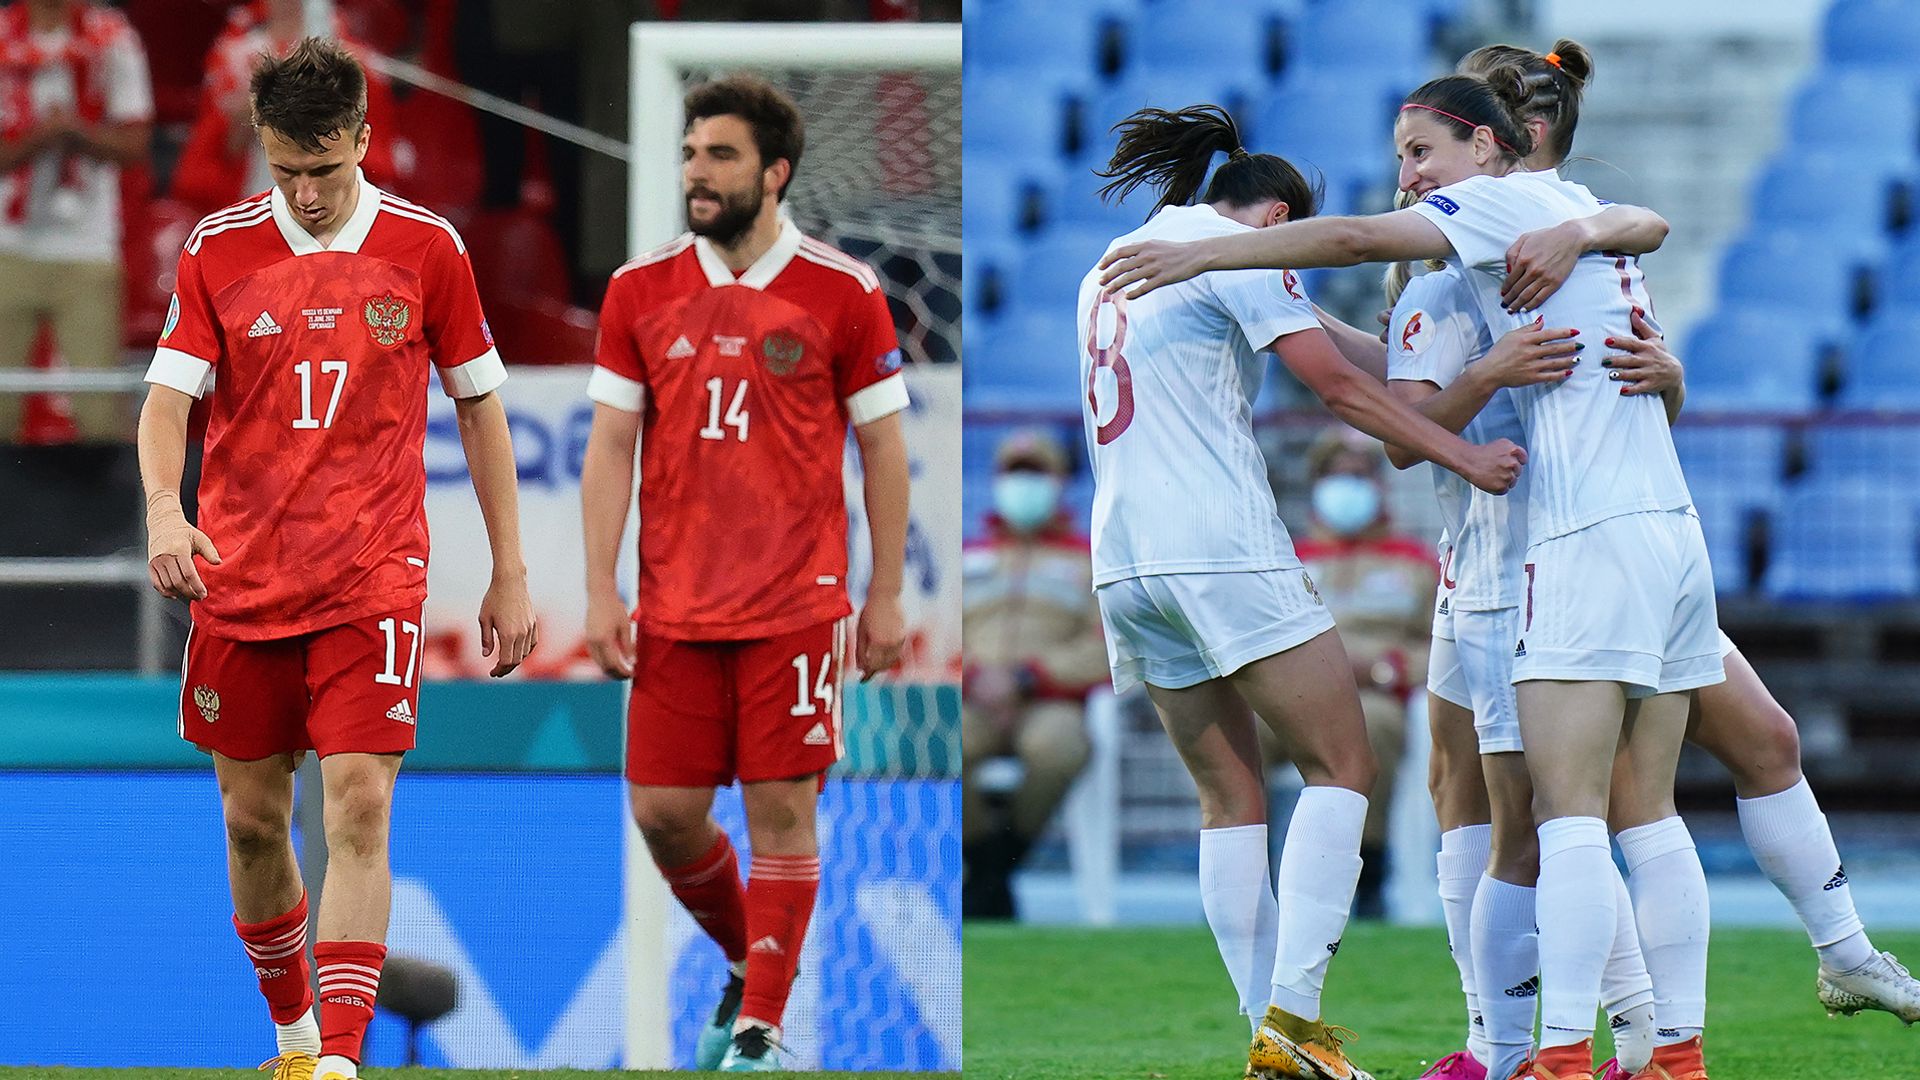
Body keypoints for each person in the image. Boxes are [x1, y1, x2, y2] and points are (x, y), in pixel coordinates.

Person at [1101, 71, 1724, 1080]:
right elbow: (1383, 372)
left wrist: (1219, 252)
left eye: (1421, 152)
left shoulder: (1490, 219)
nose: (1406, 176)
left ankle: (1550, 1049)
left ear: (1490, 145)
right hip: (1624, 538)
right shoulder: (1555, 219)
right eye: (1401, 156)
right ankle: (1606, 1045)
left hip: (1544, 547)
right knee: (1570, 804)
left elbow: (1355, 310)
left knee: (1556, 810)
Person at [1080, 103, 1528, 1080]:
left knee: (1229, 796)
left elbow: (1334, 353)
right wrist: (1455, 448)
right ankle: (1294, 1019)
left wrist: (1445, 369)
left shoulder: (1117, 260)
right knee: (1342, 766)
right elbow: (1332, 387)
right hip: (1218, 546)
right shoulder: (1228, 250)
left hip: (1123, 560)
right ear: (1277, 216)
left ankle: (1274, 1042)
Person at [136, 38, 536, 1080]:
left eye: (325, 168)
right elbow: (168, 402)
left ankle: (343, 1064)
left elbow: (482, 408)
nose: (306, 194)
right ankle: (295, 1041)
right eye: (285, 171)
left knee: (360, 801)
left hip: (373, 577)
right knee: (253, 825)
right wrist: (163, 514)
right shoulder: (216, 248)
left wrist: (510, 569)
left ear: (363, 138)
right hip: (242, 581)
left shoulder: (427, 247)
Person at [580, 74, 910, 1073]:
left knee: (782, 812)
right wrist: (601, 587)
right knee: (665, 814)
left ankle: (762, 1032)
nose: (696, 172)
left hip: (796, 605)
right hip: (676, 607)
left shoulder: (840, 292)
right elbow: (609, 451)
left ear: (774, 172)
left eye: (718, 155)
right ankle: (751, 965)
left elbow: (885, 451)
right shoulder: (638, 292)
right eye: (689, 153)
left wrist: (885, 592)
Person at [961, 427, 1107, 920]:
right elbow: (934, 631)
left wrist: (1030, 677)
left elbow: (1108, 643)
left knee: (1058, 749)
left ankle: (992, 872)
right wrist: (972, 676)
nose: (1025, 484)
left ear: (1060, 480)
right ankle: (993, 870)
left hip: (1052, 700)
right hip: (972, 697)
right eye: (1015, 474)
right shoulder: (964, 558)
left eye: (1036, 473)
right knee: (944, 747)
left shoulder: (1089, 561)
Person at [1288, 431, 1434, 919]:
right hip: (1289, 697)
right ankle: (1247, 881)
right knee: (1236, 729)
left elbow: (1446, 643)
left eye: (1358, 476)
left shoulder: (1414, 563)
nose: (1347, 486)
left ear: (1379, 485)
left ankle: (1367, 876)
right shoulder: (1287, 562)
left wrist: (1389, 668)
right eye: (1335, 476)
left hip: (1374, 695)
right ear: (1315, 485)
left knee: (1375, 727)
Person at [0, 0, 150, 443]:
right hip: (8, 245)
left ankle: (112, 512)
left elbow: (135, 142)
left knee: (100, 415)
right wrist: (41, 139)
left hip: (88, 248)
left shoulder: (112, 38)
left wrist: (76, 134)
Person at [170, 0, 398, 216]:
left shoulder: (356, 61)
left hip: (338, 199)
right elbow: (228, 145)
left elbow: (370, 154)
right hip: (258, 189)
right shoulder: (237, 52)